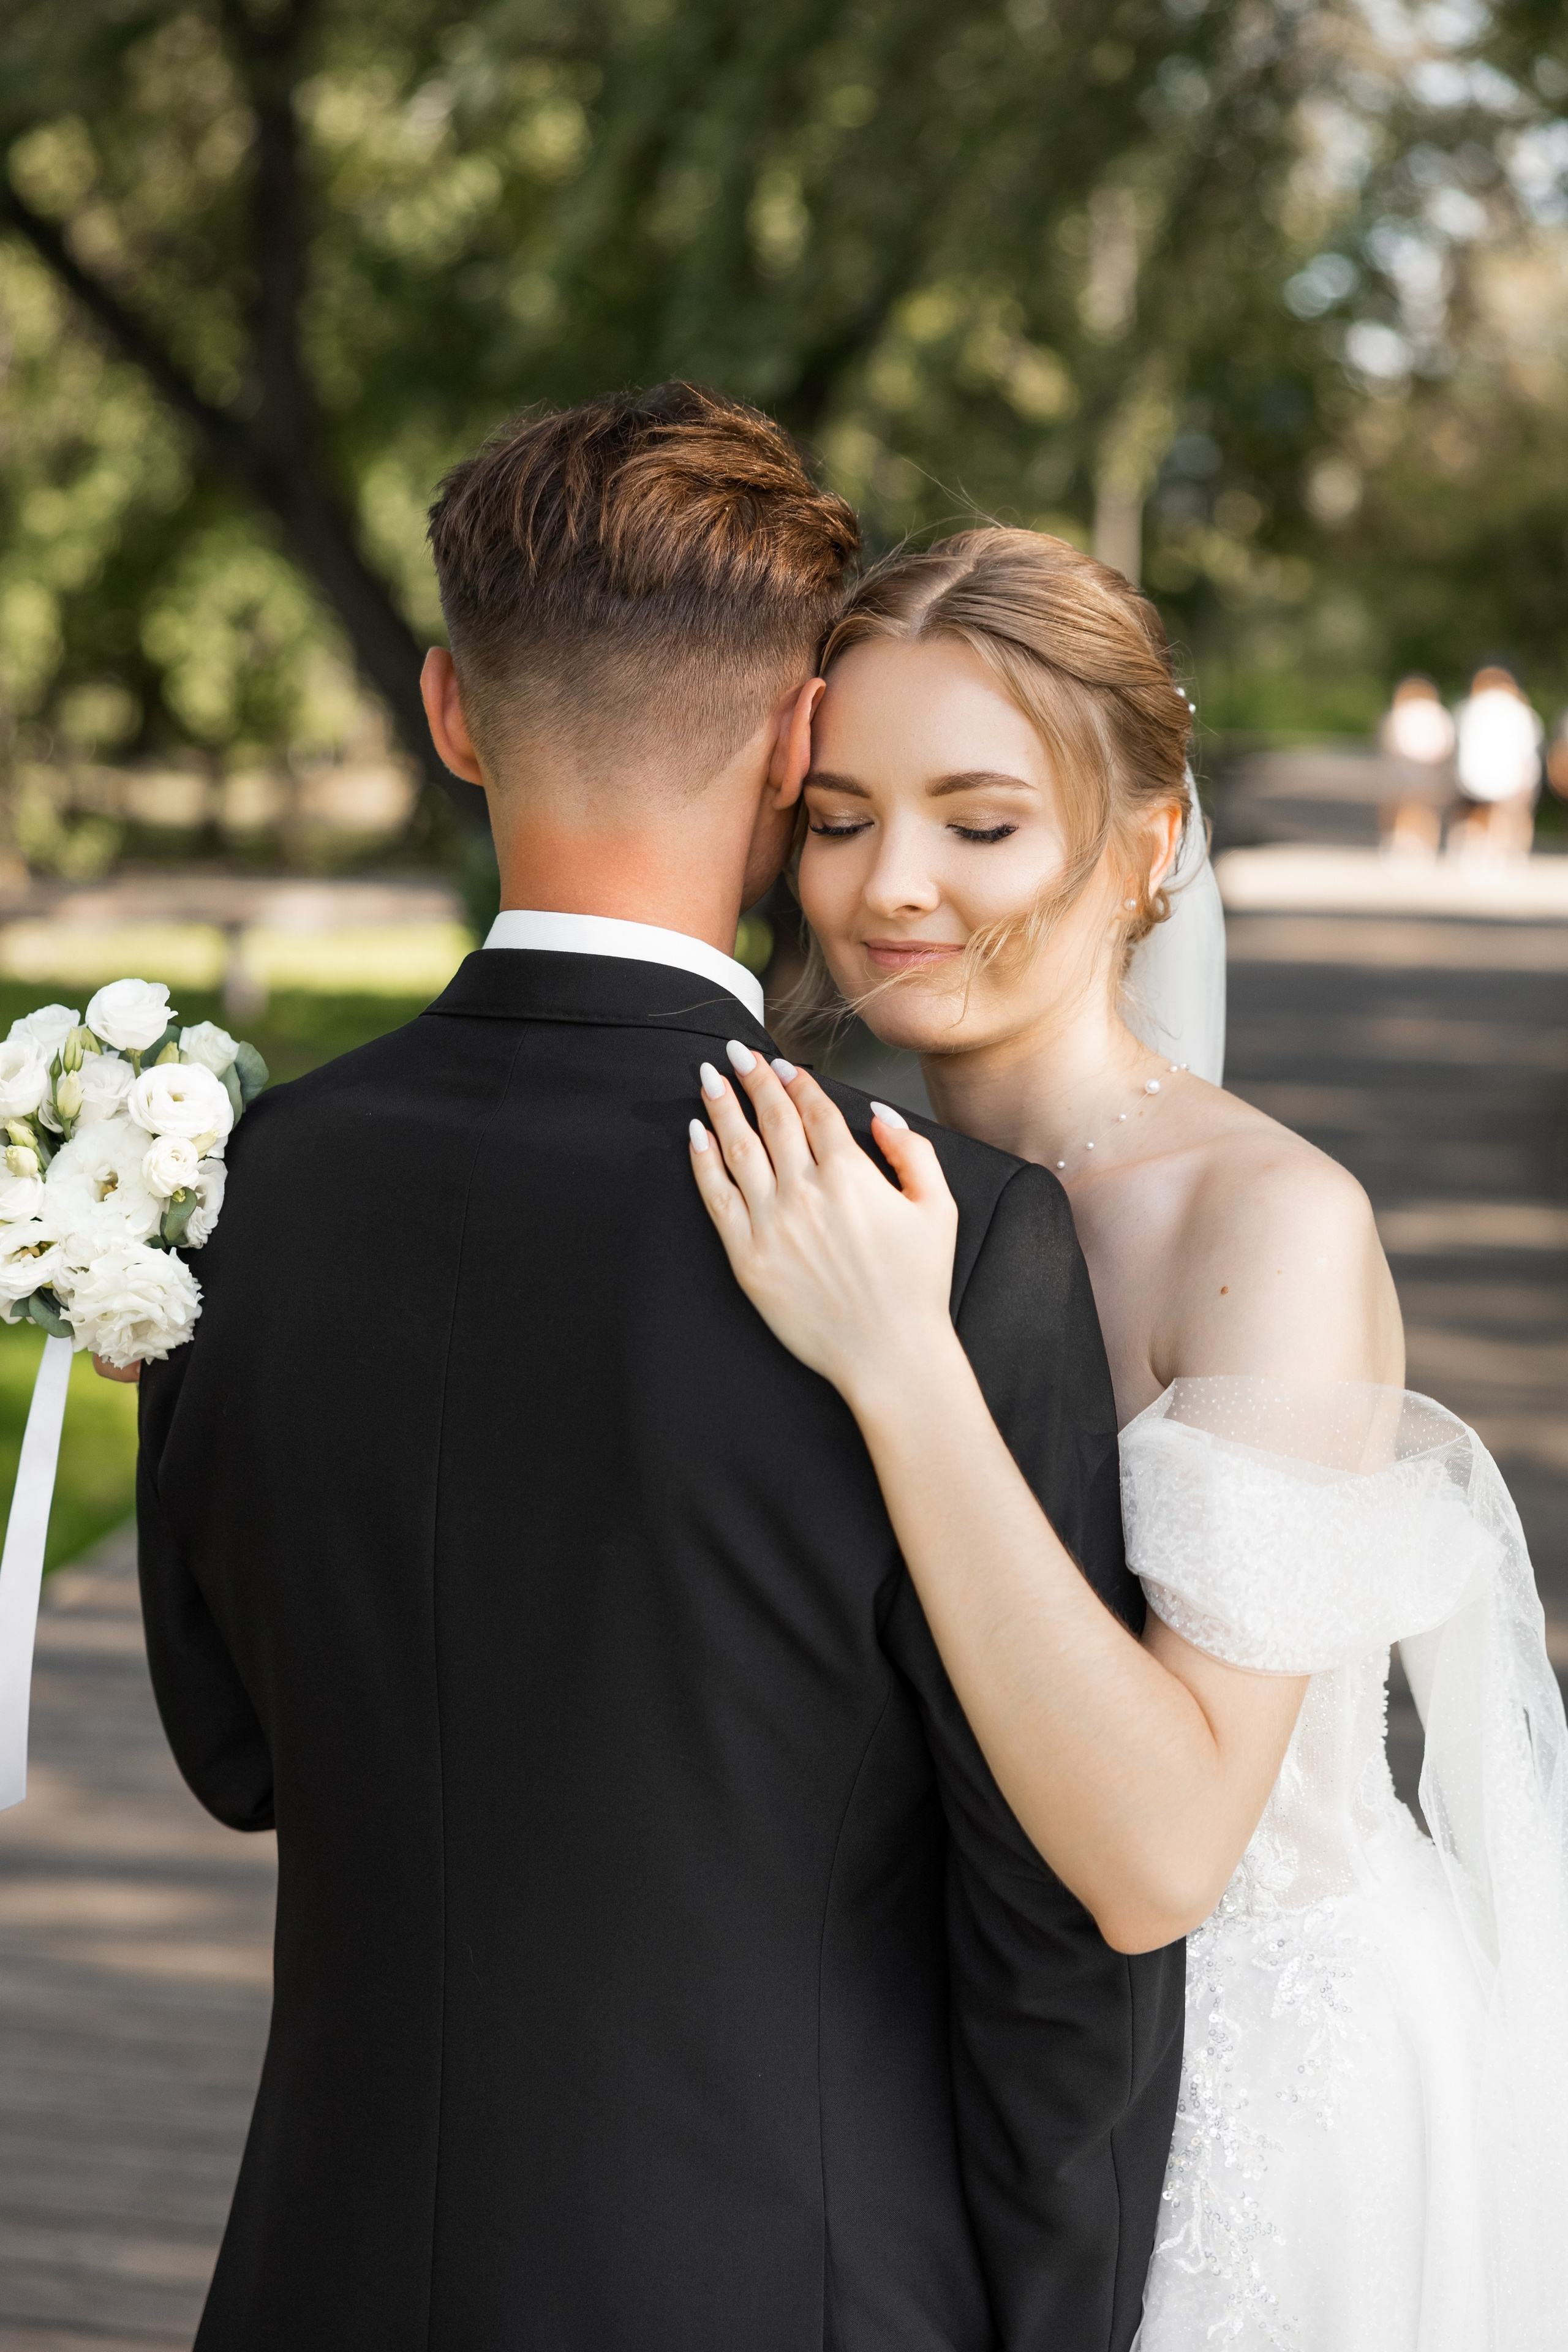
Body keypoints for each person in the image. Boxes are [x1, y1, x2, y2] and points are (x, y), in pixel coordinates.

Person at [132, 394, 1183, 2349]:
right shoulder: (924, 1222)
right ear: (799, 743)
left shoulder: (247, 1175)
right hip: (791, 2286)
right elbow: (1052, 1939)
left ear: (451, 711)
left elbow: (230, 1744)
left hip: (320, 2270)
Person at [688, 527, 1568, 2350]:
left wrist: (898, 1359)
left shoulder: (1266, 1230)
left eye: (978, 819)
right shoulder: (824, 1168)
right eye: (837, 815)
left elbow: (1162, 1849)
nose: (889, 883)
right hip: (944, 2075)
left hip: (1247, 2124)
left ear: (1144, 845)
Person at [1450, 663, 1543, 861]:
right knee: (1501, 813)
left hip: (1482, 774)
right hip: (1499, 773)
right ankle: (1506, 851)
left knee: (1485, 813)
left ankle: (1489, 850)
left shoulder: (1471, 707)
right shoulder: (1517, 709)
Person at [1378, 674, 1455, 858]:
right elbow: (1446, 743)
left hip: (1405, 768)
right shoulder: (1437, 713)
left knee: (1404, 807)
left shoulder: (1400, 712)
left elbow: (1390, 741)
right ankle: (1425, 844)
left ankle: (1399, 842)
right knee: (1425, 809)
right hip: (1426, 768)